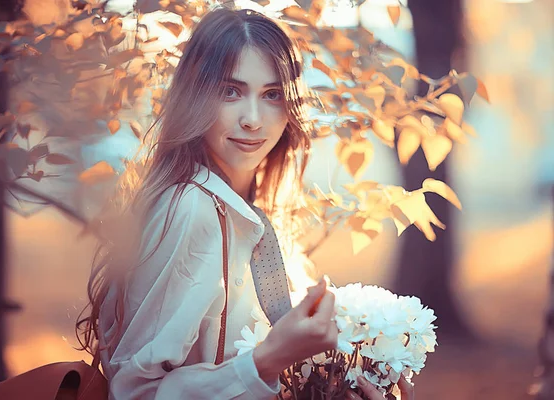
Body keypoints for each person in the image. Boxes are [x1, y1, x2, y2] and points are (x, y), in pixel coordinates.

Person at [76, 7, 414, 400]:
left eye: (272, 95)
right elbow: (135, 393)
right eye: (230, 91)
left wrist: (340, 380)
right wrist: (267, 360)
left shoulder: (256, 211)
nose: (253, 119)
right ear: (195, 97)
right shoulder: (190, 208)